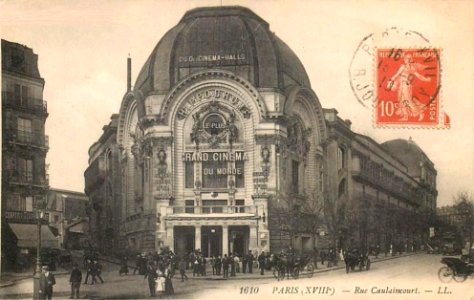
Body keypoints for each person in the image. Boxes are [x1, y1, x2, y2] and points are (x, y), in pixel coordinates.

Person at [386, 52, 432, 121]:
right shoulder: (403, 66)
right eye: (405, 58)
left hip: (406, 86)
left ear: (410, 59)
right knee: (401, 100)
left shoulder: (411, 68)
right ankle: (405, 116)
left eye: (407, 58)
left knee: (408, 100)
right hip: (401, 85)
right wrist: (391, 80)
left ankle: (420, 113)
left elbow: (419, 76)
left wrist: (426, 79)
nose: (405, 59)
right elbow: (397, 74)